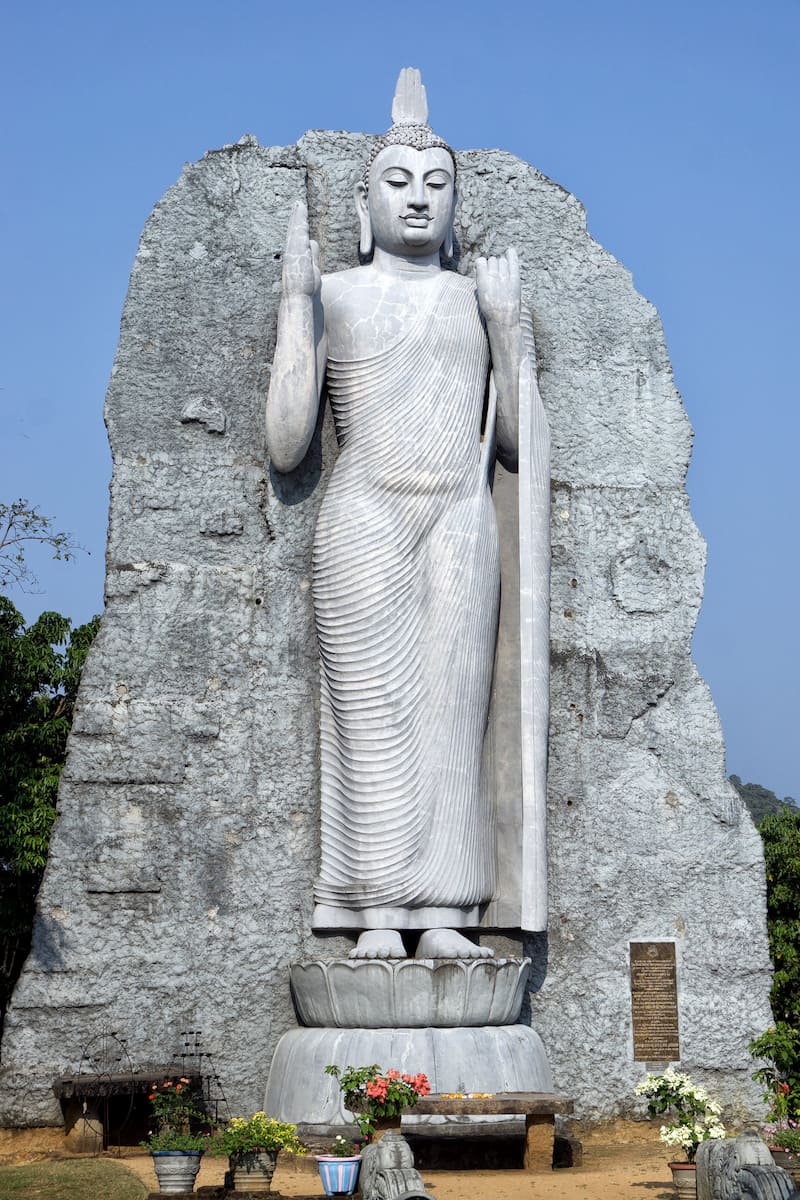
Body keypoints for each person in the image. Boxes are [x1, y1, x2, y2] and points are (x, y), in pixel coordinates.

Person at [266, 70, 545, 958]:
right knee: (374, 718)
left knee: (455, 719)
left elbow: (519, 447)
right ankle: (375, 911)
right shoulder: (341, 294)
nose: (418, 199)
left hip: (461, 513)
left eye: (436, 184)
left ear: (458, 202)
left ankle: (449, 913)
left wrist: (508, 329)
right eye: (397, 182)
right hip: (367, 516)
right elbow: (285, 441)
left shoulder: (476, 298)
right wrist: (294, 305)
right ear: (365, 199)